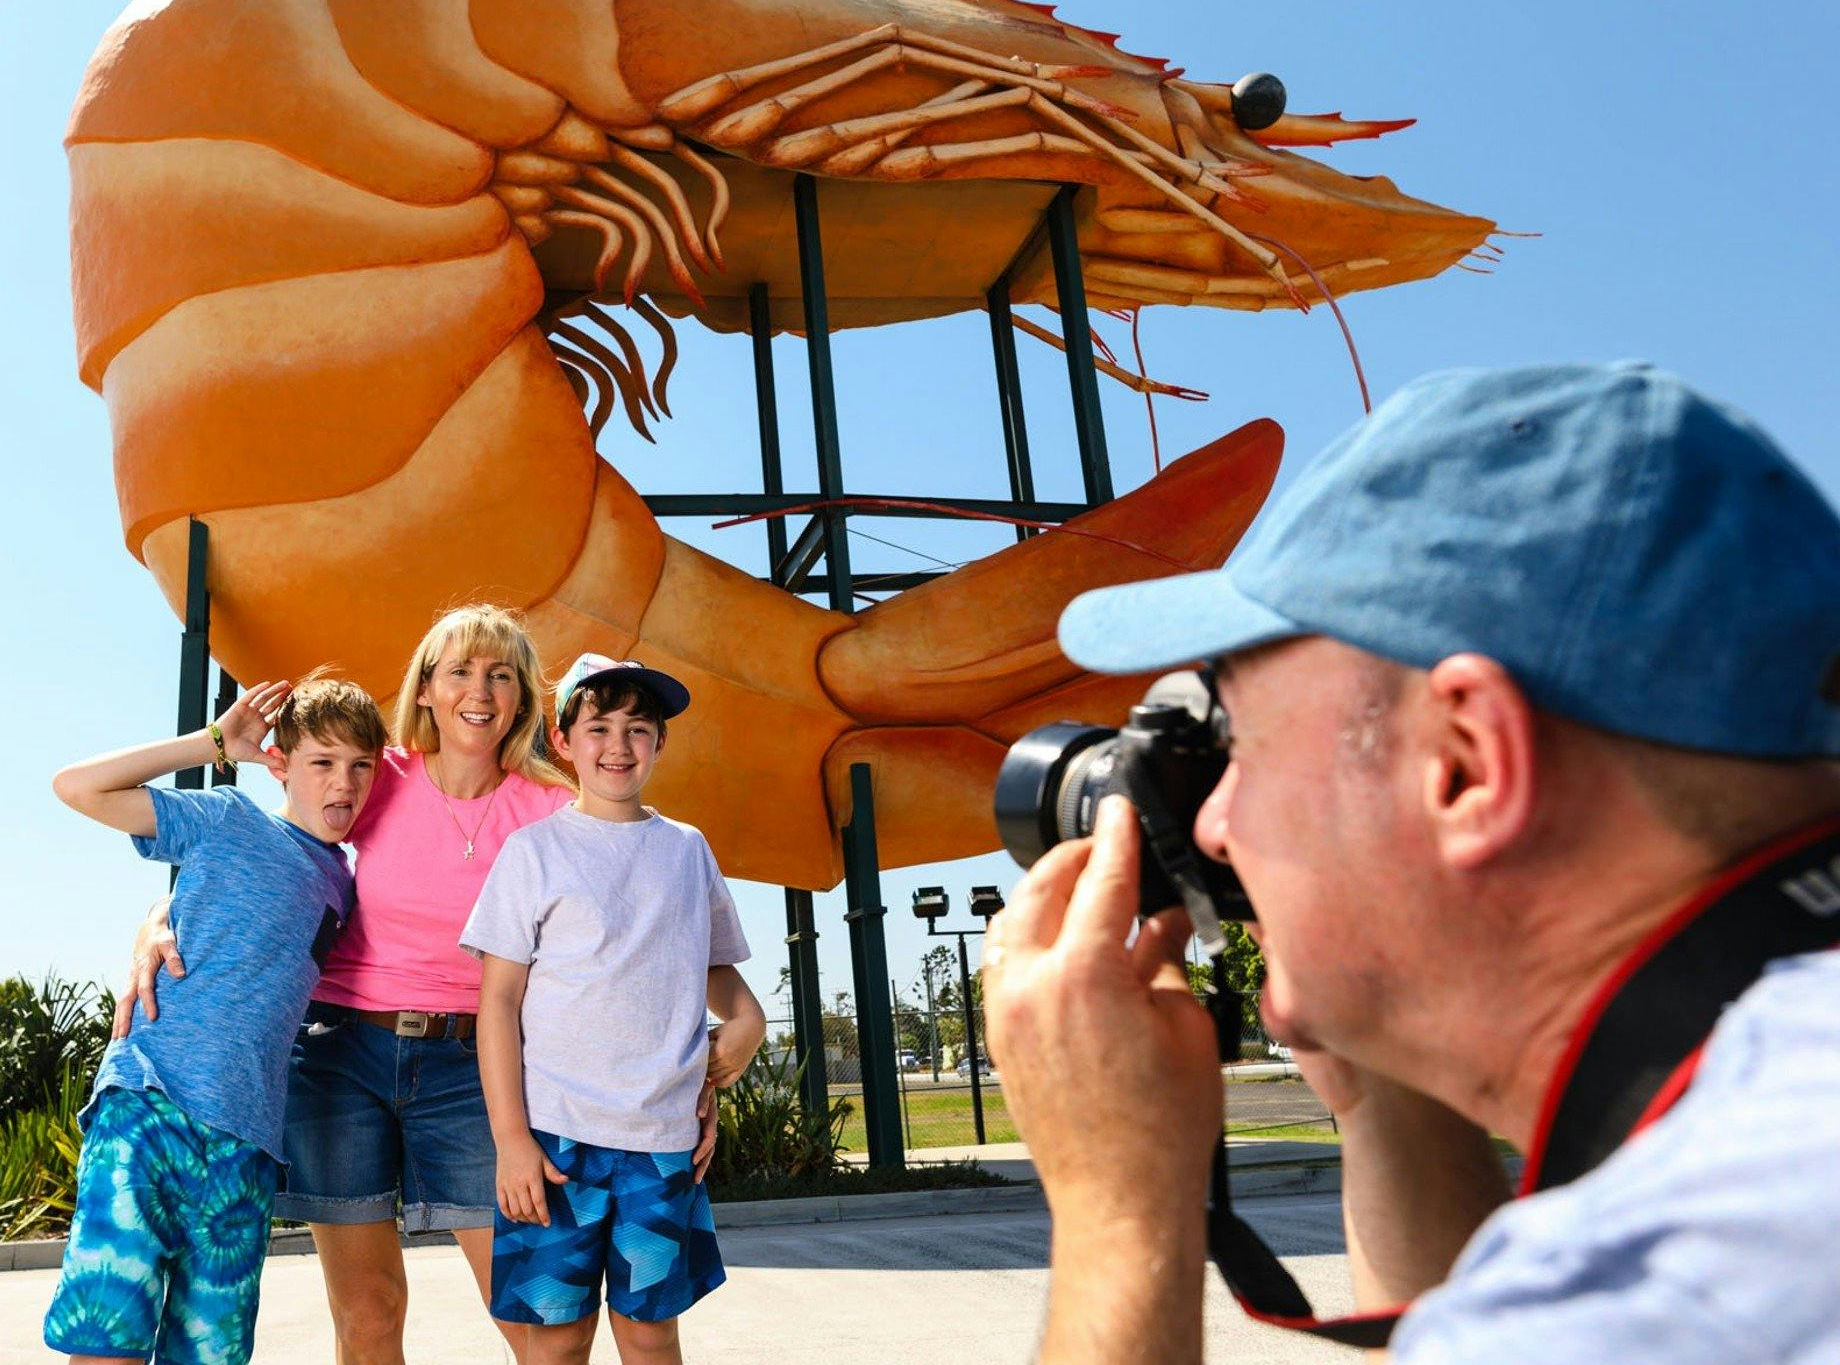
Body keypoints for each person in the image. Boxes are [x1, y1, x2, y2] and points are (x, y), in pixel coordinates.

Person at [982, 362, 1840, 1363]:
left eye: (1242, 744)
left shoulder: (1666, 1284)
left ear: (1466, 766)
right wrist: (1379, 1083)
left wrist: (1116, 1210)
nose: (1212, 827)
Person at [116, 607, 710, 1364]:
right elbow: (271, 850)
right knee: (369, 1311)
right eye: (459, 670)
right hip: (340, 1062)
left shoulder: (553, 811)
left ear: (525, 697)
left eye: (500, 674)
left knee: (531, 1320)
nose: (480, 690)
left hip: (473, 1070)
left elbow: (630, 950)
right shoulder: (376, 774)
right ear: (425, 689)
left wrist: (693, 1072)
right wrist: (161, 914)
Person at [43, 674, 384, 1365]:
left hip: (247, 1144)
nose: (341, 783)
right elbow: (77, 787)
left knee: (209, 1355)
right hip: (151, 1107)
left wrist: (156, 915)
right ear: (282, 764)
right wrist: (212, 742)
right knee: (106, 1343)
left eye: (359, 766)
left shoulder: (348, 886)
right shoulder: (228, 817)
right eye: (321, 762)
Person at [465, 654, 768, 1365]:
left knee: (649, 1333)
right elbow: (498, 1003)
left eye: (639, 728)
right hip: (553, 1142)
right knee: (559, 1337)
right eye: (598, 727)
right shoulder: (532, 852)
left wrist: (748, 1020)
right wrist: (512, 1141)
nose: (619, 745)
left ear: (660, 743)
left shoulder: (687, 850)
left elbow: (712, 967)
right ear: (565, 742)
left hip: (662, 1141)